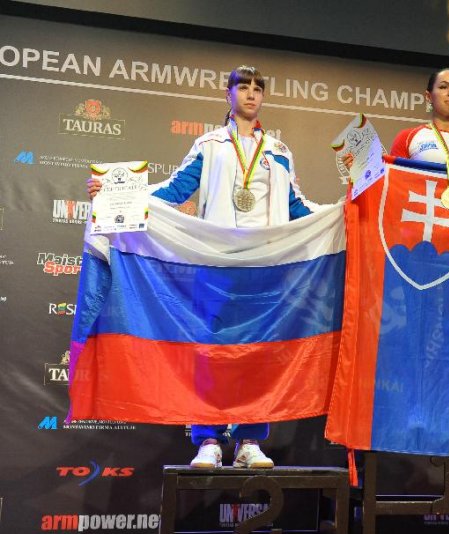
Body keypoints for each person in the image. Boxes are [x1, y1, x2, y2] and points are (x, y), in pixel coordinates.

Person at [87, 65, 316, 469]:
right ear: (227, 95)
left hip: (265, 266)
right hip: (215, 261)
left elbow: (298, 208)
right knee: (207, 351)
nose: (250, 94)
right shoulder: (210, 145)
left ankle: (249, 442)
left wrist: (342, 213)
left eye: (257, 88)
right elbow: (175, 190)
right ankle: (207, 440)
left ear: (263, 97)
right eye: (242, 87)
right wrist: (117, 191)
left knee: (257, 353)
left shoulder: (280, 153)